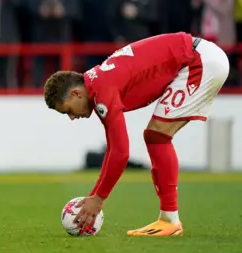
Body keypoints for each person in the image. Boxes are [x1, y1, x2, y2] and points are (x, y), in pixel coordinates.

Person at [43, 32, 229, 236]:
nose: (71, 117)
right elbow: (114, 149)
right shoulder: (98, 84)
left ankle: (170, 221)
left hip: (199, 61)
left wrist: (99, 198)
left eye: (68, 110)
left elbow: (121, 153)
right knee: (156, 136)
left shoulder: (103, 90)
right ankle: (169, 219)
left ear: (76, 93)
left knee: (157, 136)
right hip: (198, 56)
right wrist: (95, 195)